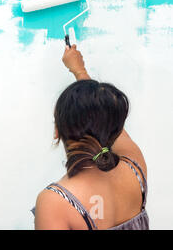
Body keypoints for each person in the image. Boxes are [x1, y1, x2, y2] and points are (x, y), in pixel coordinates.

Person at [33, 45, 149, 230]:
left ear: (57, 132)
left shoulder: (55, 201)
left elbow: (105, 119)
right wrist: (80, 71)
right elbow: (105, 116)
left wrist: (78, 71)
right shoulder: (134, 166)